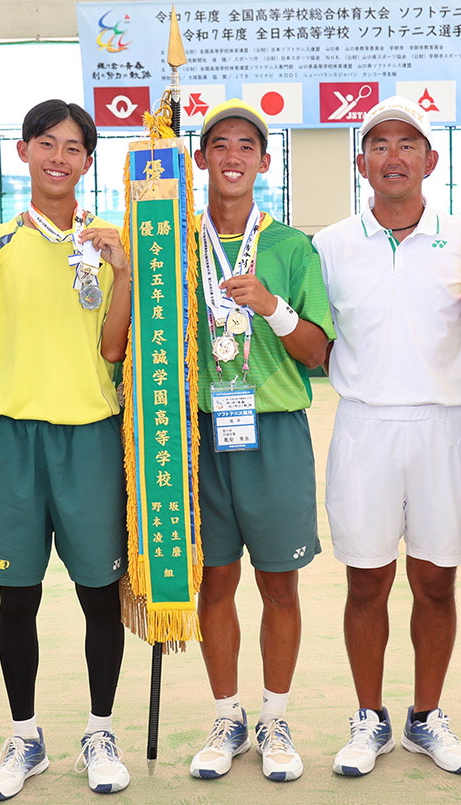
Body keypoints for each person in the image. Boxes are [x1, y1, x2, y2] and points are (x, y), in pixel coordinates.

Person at [0, 100, 133, 800]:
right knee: (16, 597)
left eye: (74, 147)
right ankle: (25, 736)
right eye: (47, 143)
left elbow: (113, 348)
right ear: (24, 150)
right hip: (12, 439)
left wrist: (125, 272)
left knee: (98, 596)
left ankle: (99, 731)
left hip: (90, 436)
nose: (59, 157)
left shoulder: (109, 241)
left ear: (88, 160)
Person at [312, 96, 461, 778]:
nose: (394, 156)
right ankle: (369, 717)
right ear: (362, 163)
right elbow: (317, 337)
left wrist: (444, 379)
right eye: (379, 144)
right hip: (364, 428)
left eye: (407, 143)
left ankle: (426, 716)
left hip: (444, 428)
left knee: (436, 581)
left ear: (431, 159)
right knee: (366, 581)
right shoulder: (330, 245)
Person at [185, 99, 335, 784]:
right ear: (201, 158)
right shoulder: (173, 244)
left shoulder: (292, 247)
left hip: (272, 428)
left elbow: (318, 352)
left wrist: (272, 306)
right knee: (215, 580)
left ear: (265, 161)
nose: (233, 156)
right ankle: (227, 715)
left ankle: (275, 716)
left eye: (247, 146)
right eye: (220, 144)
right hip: (200, 432)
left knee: (279, 582)